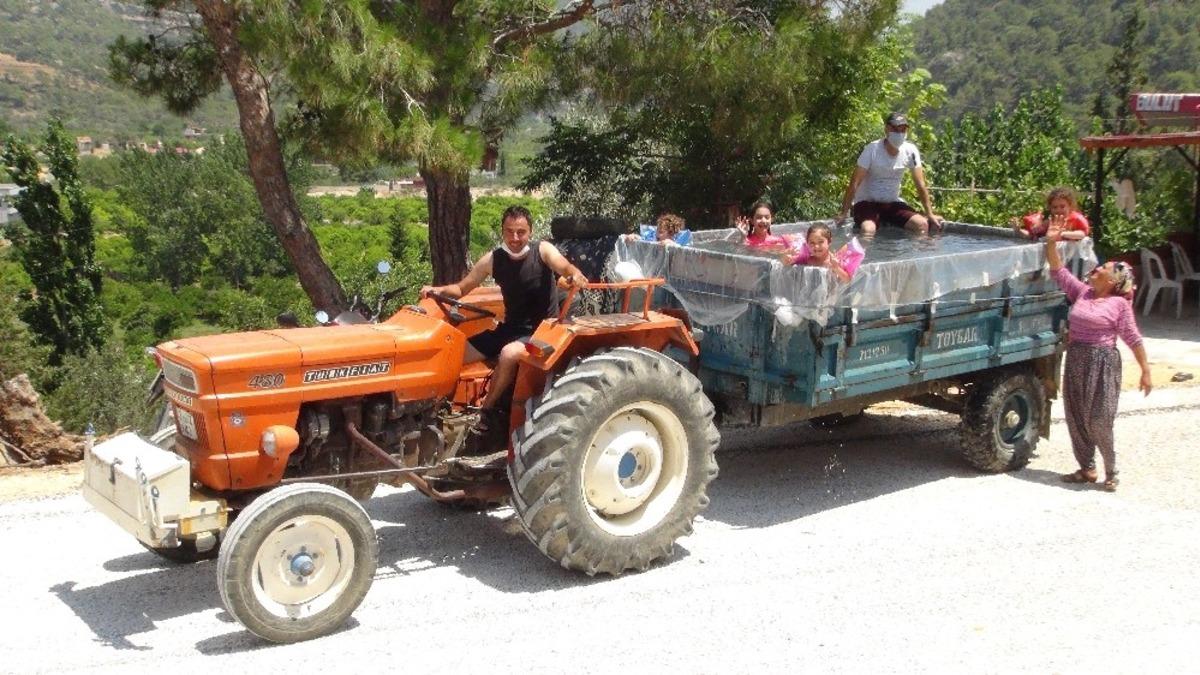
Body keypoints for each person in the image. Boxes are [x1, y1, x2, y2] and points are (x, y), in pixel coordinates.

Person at [421, 205, 588, 445]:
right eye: (510, 232)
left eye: (521, 232)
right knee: (452, 353)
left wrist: (574, 274)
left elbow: (564, 267)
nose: (515, 238)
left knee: (509, 353)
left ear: (530, 231)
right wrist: (437, 290)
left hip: (542, 332)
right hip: (511, 328)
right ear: (503, 231)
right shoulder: (493, 259)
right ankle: (436, 412)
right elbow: (461, 288)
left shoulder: (542, 250)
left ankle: (483, 416)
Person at [1045, 223, 1151, 492]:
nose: (1097, 268)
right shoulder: (1084, 293)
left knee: (1099, 419)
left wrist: (1145, 370)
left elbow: (1133, 338)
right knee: (1076, 415)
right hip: (1077, 357)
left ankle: (1111, 469)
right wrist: (1050, 242)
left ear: (1114, 281)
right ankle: (1087, 467)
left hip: (1102, 362)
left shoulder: (1119, 305)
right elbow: (1059, 271)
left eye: (1103, 268)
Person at [837, 112, 943, 234]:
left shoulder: (910, 151)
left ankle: (914, 252)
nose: (899, 133)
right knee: (868, 229)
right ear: (887, 129)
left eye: (902, 129)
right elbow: (854, 183)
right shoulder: (872, 149)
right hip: (866, 203)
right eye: (895, 128)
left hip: (892, 203)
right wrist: (844, 213)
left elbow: (920, 185)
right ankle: (865, 252)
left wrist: (929, 213)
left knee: (922, 224)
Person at [790, 224, 864, 283]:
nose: (816, 246)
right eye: (812, 243)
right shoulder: (808, 260)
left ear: (829, 241)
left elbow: (847, 280)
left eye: (821, 242)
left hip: (831, 299)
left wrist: (836, 268)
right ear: (807, 243)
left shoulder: (834, 261)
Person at [1010, 186, 1090, 240]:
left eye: (1062, 206)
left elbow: (1082, 234)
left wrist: (1062, 233)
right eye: (1055, 207)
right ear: (1050, 208)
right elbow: (1030, 235)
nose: (1058, 210)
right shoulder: (1049, 222)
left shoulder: (1076, 219)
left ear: (1070, 206)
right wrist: (1018, 230)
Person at [626, 212, 692, 246]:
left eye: (661, 232)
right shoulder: (654, 239)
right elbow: (644, 240)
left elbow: (682, 250)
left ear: (671, 234)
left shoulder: (676, 243)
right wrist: (635, 237)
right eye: (657, 231)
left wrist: (673, 245)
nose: (657, 234)